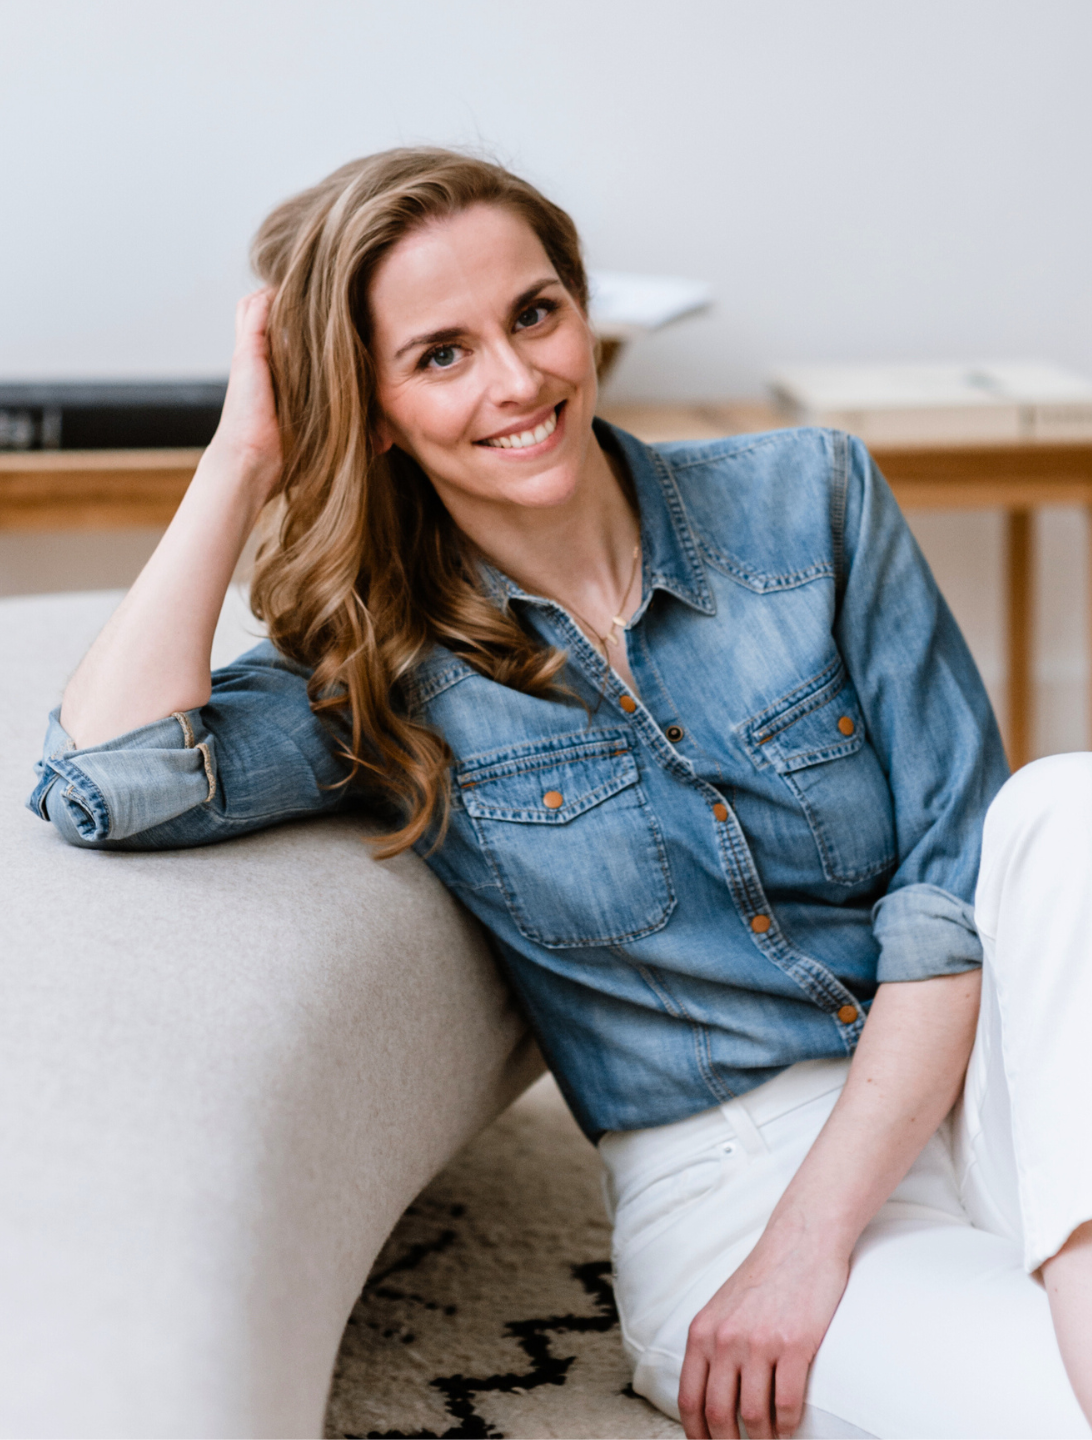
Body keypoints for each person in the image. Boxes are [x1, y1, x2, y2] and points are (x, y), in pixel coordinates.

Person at [27, 147, 1092, 1440]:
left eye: (535, 314)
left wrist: (857, 1235)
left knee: (1065, 806)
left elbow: (952, 887)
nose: (520, 380)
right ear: (366, 409)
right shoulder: (384, 666)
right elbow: (107, 777)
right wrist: (246, 449)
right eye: (440, 355)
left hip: (980, 1079)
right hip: (739, 1180)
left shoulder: (810, 500)